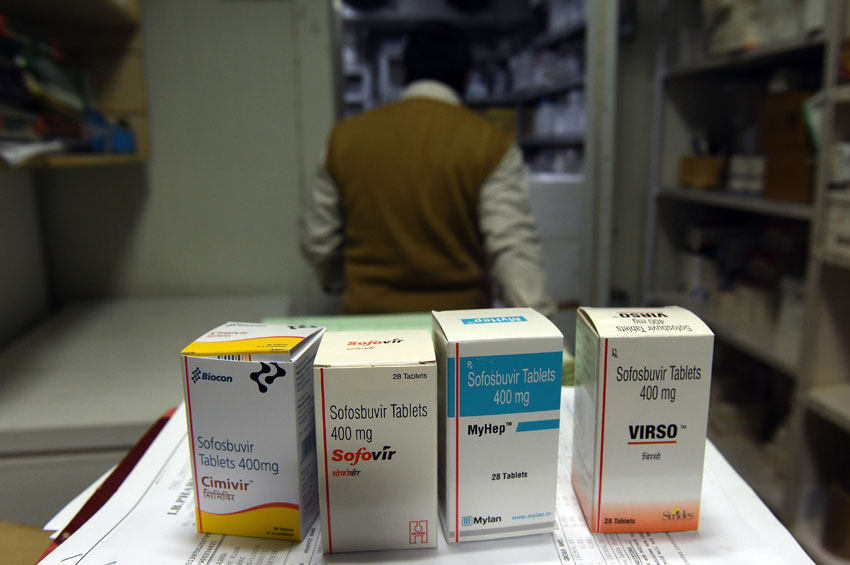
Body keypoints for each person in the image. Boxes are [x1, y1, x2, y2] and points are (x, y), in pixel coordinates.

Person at [300, 20, 556, 318]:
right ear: (467, 77)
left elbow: (319, 242)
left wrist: (349, 283)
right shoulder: (489, 143)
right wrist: (542, 331)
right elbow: (513, 249)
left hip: (366, 331)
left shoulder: (345, 139)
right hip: (459, 336)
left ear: (405, 73)